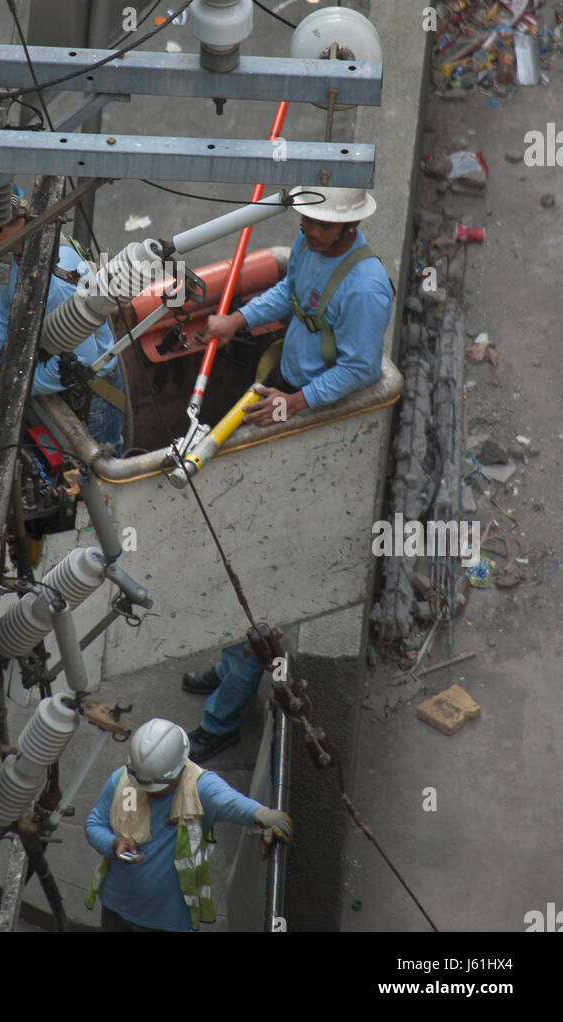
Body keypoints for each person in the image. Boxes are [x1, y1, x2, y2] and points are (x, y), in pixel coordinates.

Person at [183, 185, 393, 761]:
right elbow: (288, 293)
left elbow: (359, 368)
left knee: (258, 577)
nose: (305, 230)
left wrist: (294, 406)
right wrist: (239, 319)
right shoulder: (311, 249)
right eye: (303, 222)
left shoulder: (366, 288)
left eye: (317, 224)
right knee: (244, 558)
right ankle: (227, 668)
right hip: (289, 392)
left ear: (346, 228)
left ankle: (223, 717)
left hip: (313, 422)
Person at [84, 718, 292, 932]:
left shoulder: (199, 787)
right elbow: (94, 824)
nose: (148, 792)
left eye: (158, 787)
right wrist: (113, 843)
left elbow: (230, 801)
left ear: (178, 768)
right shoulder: (122, 781)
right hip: (115, 908)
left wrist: (262, 814)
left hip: (166, 923)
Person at [0, 198, 124, 452]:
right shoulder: (14, 256)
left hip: (91, 396)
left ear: (20, 224)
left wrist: (9, 386)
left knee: (99, 474)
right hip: (54, 368)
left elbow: (83, 360)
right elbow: (4, 315)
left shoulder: (57, 284)